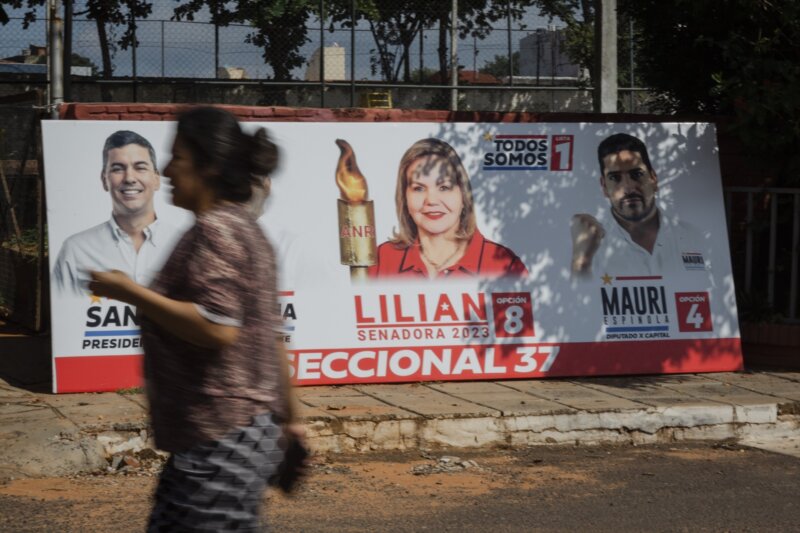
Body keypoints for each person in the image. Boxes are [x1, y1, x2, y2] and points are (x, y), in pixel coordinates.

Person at [88, 107, 304, 531]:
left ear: (209, 168)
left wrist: (130, 292)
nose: (166, 170)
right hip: (224, 437)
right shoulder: (247, 228)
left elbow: (219, 327)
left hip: (221, 439)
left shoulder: (216, 231)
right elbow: (271, 337)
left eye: (178, 158)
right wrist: (292, 421)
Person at [368, 138, 528, 280]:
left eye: (444, 187)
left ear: (463, 196)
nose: (431, 200)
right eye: (418, 188)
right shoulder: (381, 259)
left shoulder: (504, 264)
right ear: (404, 198)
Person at [52, 130, 181, 295]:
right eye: (118, 169)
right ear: (104, 180)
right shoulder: (76, 249)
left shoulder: (181, 242)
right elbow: (63, 311)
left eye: (140, 167)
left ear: (156, 179)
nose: (129, 178)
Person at [571, 132, 710, 278]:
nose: (629, 187)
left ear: (653, 178)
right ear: (604, 186)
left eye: (636, 174)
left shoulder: (693, 237)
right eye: (615, 178)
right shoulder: (591, 248)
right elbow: (578, 294)